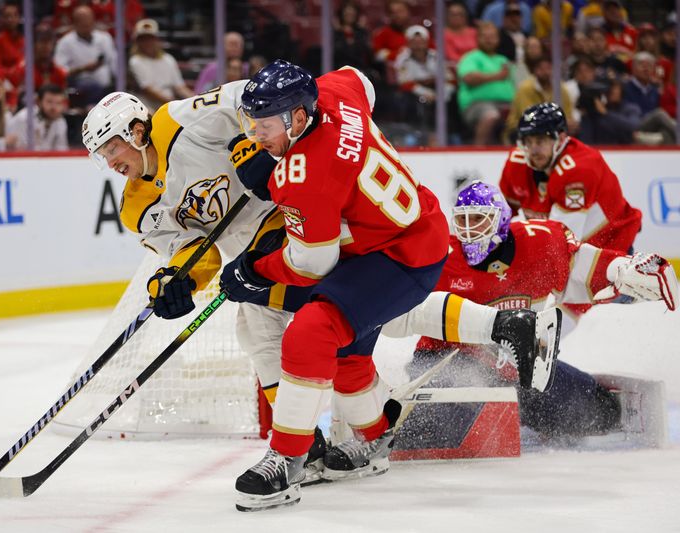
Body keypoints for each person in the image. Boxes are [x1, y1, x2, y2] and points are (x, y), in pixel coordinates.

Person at [80, 69, 560, 507]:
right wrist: (176, 279)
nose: (109, 161)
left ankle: (298, 450)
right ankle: (365, 429)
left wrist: (246, 148)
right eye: (101, 156)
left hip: (295, 227)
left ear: (136, 130)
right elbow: (192, 250)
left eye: (111, 148)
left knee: (317, 324)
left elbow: (240, 101)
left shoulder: (178, 122)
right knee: (339, 326)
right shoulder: (135, 208)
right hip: (307, 231)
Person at [219, 60, 560, 512]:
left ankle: (286, 459)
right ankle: (376, 439)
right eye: (251, 123)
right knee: (348, 352)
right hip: (405, 232)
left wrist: (253, 272)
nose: (255, 135)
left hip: (398, 255)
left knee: (312, 331)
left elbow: (310, 264)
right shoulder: (334, 91)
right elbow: (361, 78)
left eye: (264, 126)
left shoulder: (305, 177)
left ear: (298, 118)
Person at [397, 180, 677, 441]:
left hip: (521, 364)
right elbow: (401, 308)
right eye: (463, 220)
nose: (469, 230)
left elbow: (584, 265)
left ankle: (611, 412)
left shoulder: (540, 242)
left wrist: (621, 268)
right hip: (447, 359)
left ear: (501, 221)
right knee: (443, 424)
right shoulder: (441, 258)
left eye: (478, 219)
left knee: (592, 411)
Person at [499, 102, 642, 326]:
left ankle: (629, 293)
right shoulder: (516, 165)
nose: (533, 149)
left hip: (608, 251)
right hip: (569, 250)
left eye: (540, 141)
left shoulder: (580, 168)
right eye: (528, 141)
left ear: (561, 137)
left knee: (600, 329)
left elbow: (558, 243)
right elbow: (502, 222)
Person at [54, 5, 117, 107]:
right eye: (82, 22)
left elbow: (115, 65)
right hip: (80, 89)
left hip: (107, 89)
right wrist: (82, 69)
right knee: (91, 87)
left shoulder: (105, 38)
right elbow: (59, 71)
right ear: (74, 23)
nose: (87, 24)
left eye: (89, 20)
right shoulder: (65, 42)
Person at [128, 18, 193, 113]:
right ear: (137, 42)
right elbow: (148, 90)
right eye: (143, 39)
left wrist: (194, 100)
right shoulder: (135, 61)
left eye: (149, 38)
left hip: (169, 105)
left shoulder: (168, 59)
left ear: (156, 39)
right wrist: (174, 103)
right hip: (147, 107)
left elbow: (179, 87)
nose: (147, 42)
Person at [6, 84, 69, 151]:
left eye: (58, 103)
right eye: (49, 102)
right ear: (38, 102)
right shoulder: (25, 118)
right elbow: (22, 151)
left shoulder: (60, 122)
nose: (54, 107)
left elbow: (61, 151)